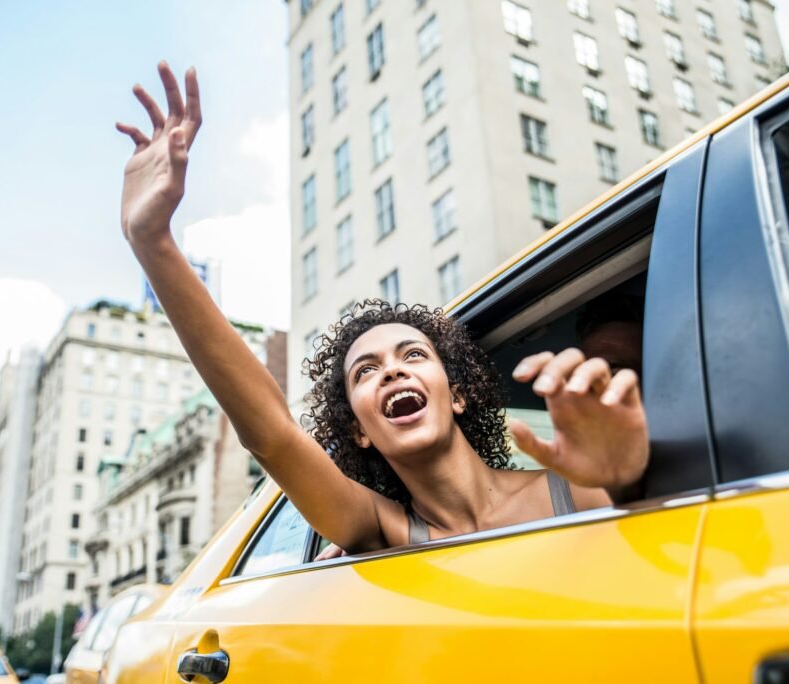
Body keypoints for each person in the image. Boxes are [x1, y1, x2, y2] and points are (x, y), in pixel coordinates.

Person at [116, 63, 649, 554]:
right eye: (365, 371)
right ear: (359, 431)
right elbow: (272, 435)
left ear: (457, 394)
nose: (391, 369)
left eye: (413, 355)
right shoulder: (378, 531)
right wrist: (152, 241)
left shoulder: (578, 487)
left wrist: (625, 480)